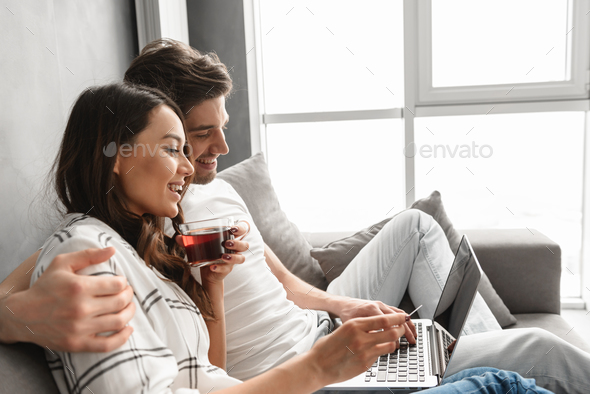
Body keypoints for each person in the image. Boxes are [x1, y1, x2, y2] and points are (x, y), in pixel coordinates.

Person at [0, 39, 588, 393]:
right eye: (189, 138)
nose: (213, 151)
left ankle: (449, 354)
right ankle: (454, 361)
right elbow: (67, 247)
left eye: (208, 135)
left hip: (317, 339)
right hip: (297, 368)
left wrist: (342, 305)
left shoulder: (209, 194)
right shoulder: (140, 231)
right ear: (129, 146)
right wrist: (17, 316)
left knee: (414, 228)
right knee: (529, 358)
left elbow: (275, 284)